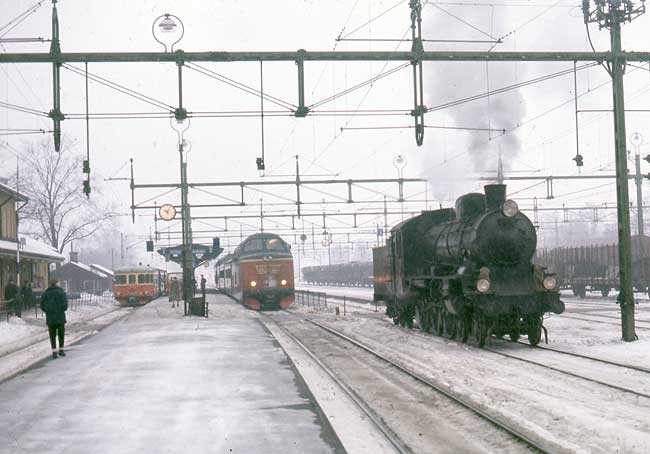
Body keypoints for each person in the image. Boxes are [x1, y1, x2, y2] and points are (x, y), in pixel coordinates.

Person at [40, 278, 68, 359]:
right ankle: (61, 351)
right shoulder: (61, 292)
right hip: (60, 317)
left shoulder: (45, 293)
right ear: (56, 283)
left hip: (50, 318)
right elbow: (65, 305)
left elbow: (42, 305)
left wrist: (48, 311)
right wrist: (60, 310)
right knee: (61, 334)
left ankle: (54, 352)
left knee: (52, 335)